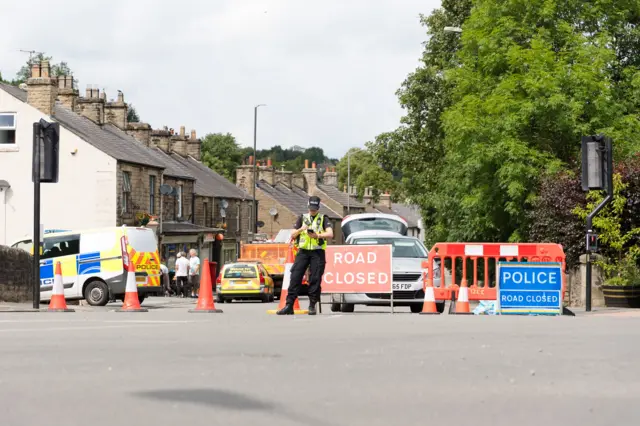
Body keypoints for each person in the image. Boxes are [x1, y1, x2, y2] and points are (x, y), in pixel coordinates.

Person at [277, 196, 333, 316]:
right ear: (308, 206)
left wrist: (317, 235)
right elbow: (292, 234)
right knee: (295, 277)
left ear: (318, 207)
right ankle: (289, 305)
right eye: (311, 208)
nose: (312, 211)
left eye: (315, 208)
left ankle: (312, 305)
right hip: (303, 251)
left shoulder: (323, 218)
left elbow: (330, 233)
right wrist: (301, 229)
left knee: (315, 279)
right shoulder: (302, 218)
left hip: (317, 252)